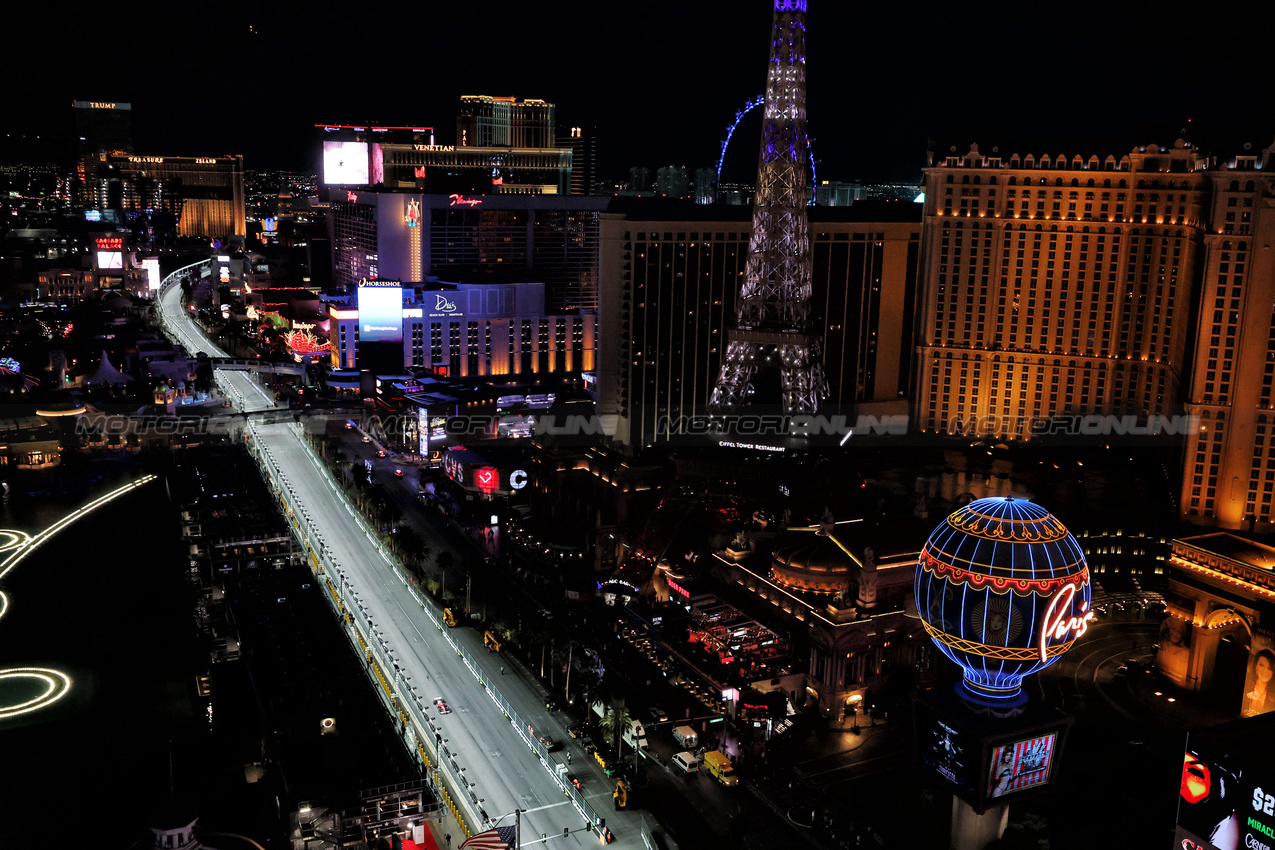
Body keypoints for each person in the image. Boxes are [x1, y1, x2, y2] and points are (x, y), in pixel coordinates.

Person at [1244, 648, 1275, 716]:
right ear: (1256, 666)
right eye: (1261, 665)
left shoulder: (1273, 696)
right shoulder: (1245, 687)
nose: (1265, 671)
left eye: (1269, 668)